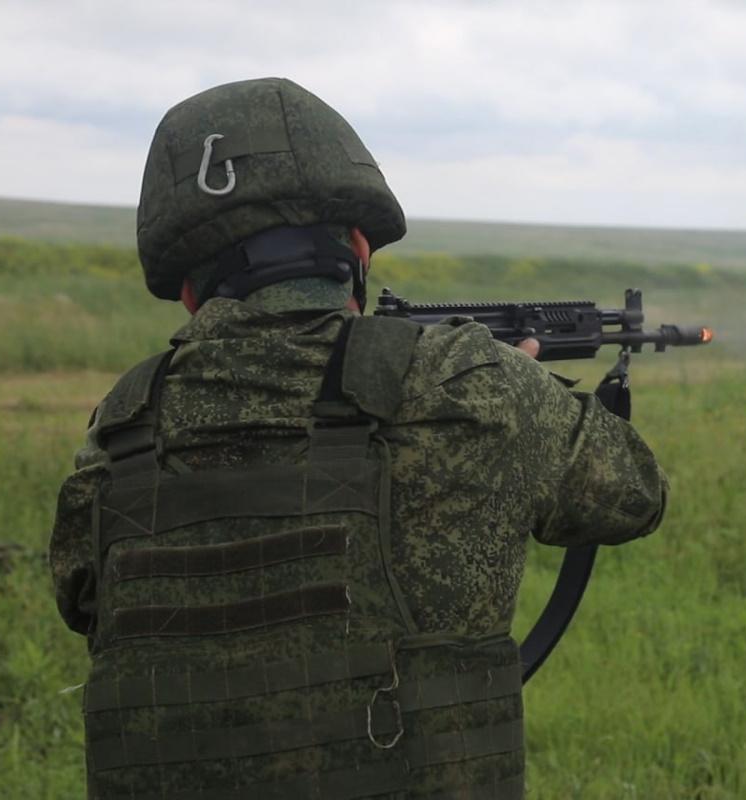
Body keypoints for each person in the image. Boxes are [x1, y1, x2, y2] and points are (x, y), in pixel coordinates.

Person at [49, 77, 667, 800]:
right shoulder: (468, 386)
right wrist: (510, 389)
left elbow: (82, 600)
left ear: (189, 288)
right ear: (358, 247)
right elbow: (633, 495)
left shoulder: (120, 426)